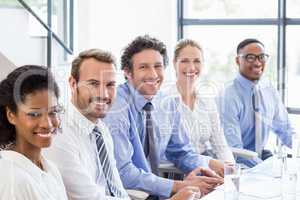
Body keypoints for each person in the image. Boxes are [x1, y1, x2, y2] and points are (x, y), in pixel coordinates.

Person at [103, 35, 224, 199]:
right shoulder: (116, 106)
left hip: (157, 191)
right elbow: (124, 172)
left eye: (158, 66)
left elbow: (181, 152)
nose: (153, 74)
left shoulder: (167, 103)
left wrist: (211, 166)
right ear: (127, 72)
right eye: (144, 67)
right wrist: (179, 186)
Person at [44, 49, 131, 200]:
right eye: (93, 84)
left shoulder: (101, 129)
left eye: (110, 85)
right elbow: (87, 198)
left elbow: (116, 188)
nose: (103, 94)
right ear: (73, 83)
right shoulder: (59, 132)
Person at [219, 38, 295, 167]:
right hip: (233, 167)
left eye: (261, 57)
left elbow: (286, 130)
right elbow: (235, 151)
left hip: (259, 161)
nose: (257, 62)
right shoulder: (228, 95)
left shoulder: (269, 90)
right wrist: (264, 169)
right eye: (250, 57)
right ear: (238, 60)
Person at [0, 65, 67, 199]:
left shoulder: (50, 168)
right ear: (11, 115)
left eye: (53, 112)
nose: (47, 124)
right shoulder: (11, 179)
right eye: (34, 114)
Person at [163, 39, 234, 163]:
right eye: (184, 61)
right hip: (175, 172)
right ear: (174, 63)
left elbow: (220, 145)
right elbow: (163, 154)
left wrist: (230, 169)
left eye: (197, 61)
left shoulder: (207, 101)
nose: (191, 67)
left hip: (205, 167)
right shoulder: (165, 101)